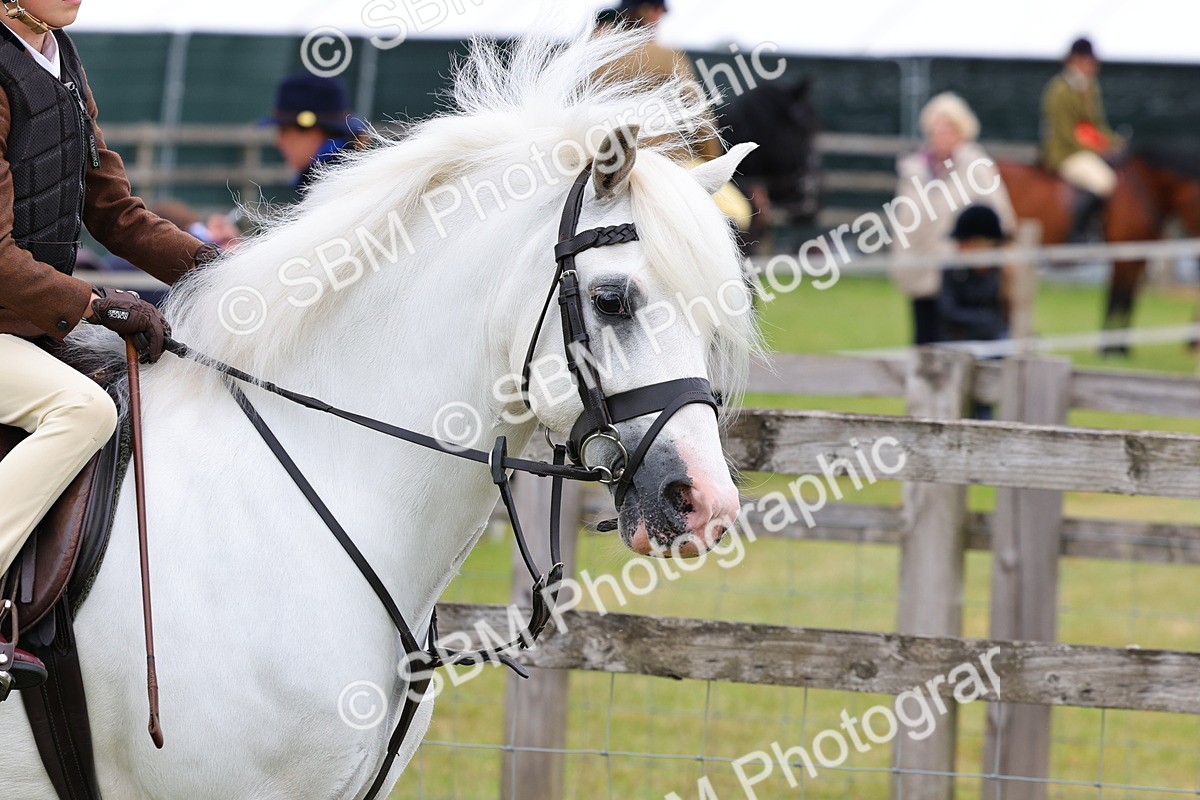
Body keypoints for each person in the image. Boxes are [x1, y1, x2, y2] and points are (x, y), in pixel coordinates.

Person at [0, 0, 218, 695]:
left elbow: (113, 213)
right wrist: (93, 303)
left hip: (30, 323)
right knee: (82, 412)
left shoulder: (61, 58)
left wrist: (219, 270)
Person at [890, 92, 1015, 345]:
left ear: (961, 131)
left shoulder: (977, 167)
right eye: (936, 127)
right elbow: (903, 221)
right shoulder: (914, 170)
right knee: (925, 343)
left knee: (959, 346)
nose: (940, 133)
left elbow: (1001, 220)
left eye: (948, 127)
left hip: (965, 284)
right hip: (921, 273)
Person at [600, 0, 722, 161]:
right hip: (662, 165)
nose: (660, 18)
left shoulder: (597, 58)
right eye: (659, 11)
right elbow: (697, 115)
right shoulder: (667, 57)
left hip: (602, 165)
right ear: (647, 12)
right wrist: (712, 160)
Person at [1040, 37, 1122, 242]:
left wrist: (1112, 142)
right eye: (1088, 61)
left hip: (1086, 149)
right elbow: (1065, 133)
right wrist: (1098, 150)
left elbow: (1096, 123)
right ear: (1075, 60)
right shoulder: (1059, 90)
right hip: (1065, 152)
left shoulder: (1090, 87)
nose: (1093, 66)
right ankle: (1078, 231)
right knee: (1105, 182)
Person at [264, 73, 367, 194]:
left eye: (284, 131)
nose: (278, 142)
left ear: (314, 132)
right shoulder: (349, 177)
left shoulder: (334, 189)